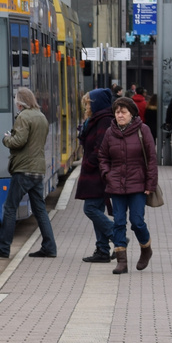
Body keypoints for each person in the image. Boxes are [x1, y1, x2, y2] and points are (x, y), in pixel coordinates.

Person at [0, 86, 57, 260]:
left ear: (20, 102)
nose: (16, 103)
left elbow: (19, 141)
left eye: (17, 100)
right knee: (40, 210)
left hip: (24, 169)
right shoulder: (41, 117)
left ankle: (3, 247)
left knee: (10, 208)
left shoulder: (24, 117)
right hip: (38, 169)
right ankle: (49, 247)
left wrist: (6, 138)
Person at [99, 96, 158, 274]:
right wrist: (107, 174)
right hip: (116, 184)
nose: (120, 115)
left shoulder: (143, 130)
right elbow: (102, 156)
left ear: (131, 113)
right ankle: (121, 261)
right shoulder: (110, 133)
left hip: (138, 184)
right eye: (117, 112)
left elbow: (152, 159)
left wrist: (150, 183)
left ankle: (146, 248)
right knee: (118, 222)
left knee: (137, 221)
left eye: (123, 112)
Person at [75, 89, 116, 263]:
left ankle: (117, 236)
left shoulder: (104, 120)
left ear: (97, 103)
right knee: (96, 209)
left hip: (97, 173)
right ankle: (102, 250)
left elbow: (100, 148)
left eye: (88, 103)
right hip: (94, 172)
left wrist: (90, 164)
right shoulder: (96, 119)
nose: (86, 106)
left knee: (90, 209)